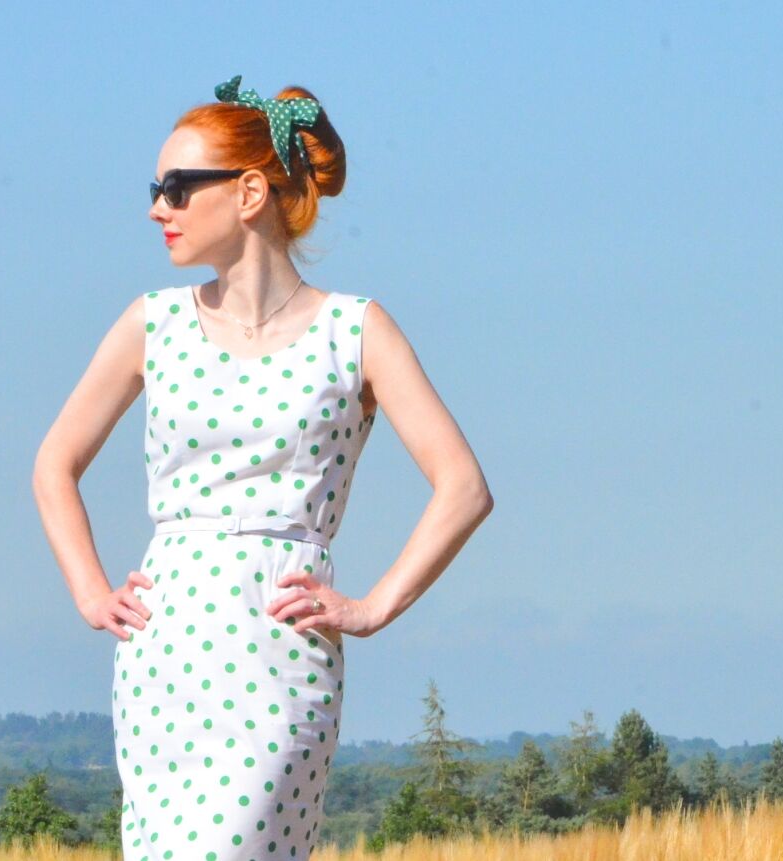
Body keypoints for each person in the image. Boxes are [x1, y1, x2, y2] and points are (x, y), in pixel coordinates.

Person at [33, 74, 493, 861]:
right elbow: (55, 462)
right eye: (155, 189)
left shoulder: (357, 329)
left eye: (177, 188)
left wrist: (373, 607)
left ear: (249, 192)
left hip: (278, 648)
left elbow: (463, 487)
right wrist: (89, 591)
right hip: (163, 650)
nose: (157, 209)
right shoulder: (153, 322)